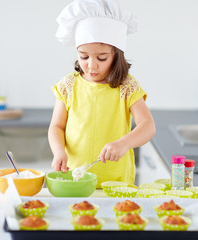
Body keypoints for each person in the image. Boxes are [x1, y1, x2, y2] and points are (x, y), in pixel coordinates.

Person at [48, 0, 156, 187]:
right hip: (76, 180)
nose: (91, 65)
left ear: (116, 55)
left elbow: (148, 126)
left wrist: (123, 144)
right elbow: (56, 126)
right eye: (83, 56)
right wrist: (59, 151)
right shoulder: (68, 85)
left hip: (116, 183)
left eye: (102, 58)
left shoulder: (126, 86)